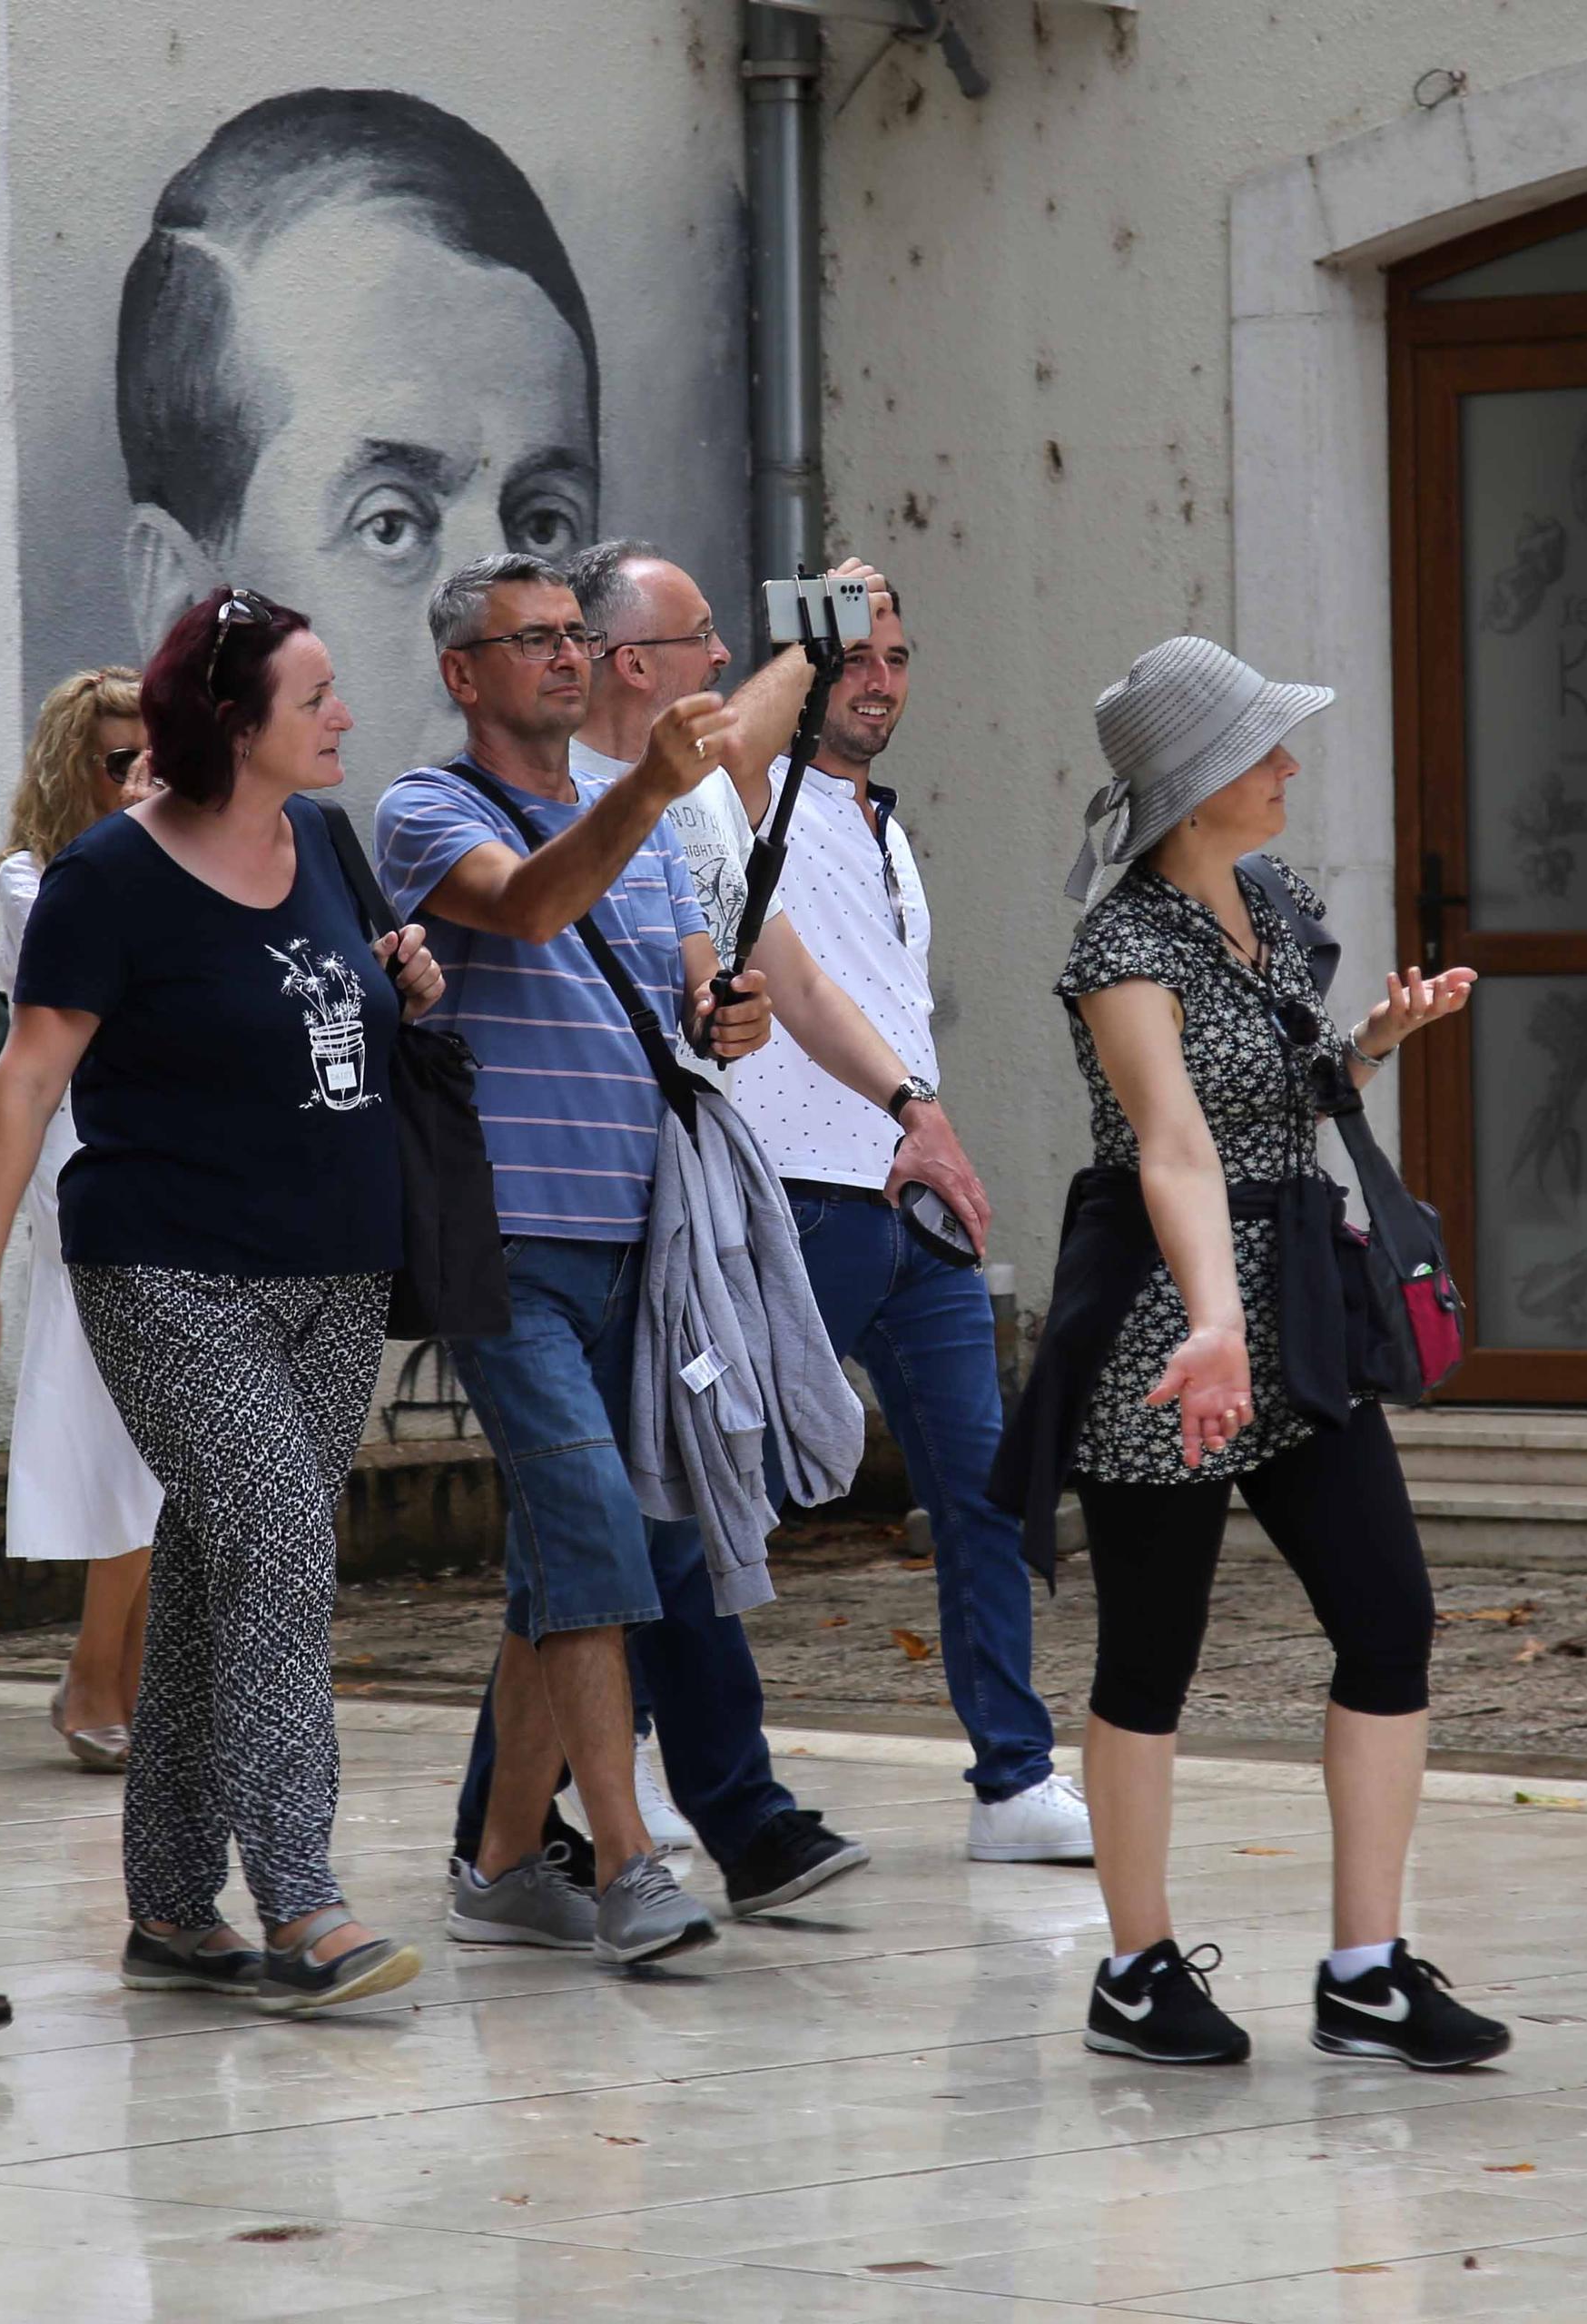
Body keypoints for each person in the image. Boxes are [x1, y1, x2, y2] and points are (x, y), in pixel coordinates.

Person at [380, 553, 936, 1969]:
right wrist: (646, 793)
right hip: (511, 1246)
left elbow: (701, 995)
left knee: (573, 1560)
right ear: (464, 674)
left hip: (654, 1245)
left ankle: (504, 1859)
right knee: (600, 1535)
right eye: (533, 642)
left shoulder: (657, 841)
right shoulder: (427, 810)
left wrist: (729, 1010)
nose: (565, 660)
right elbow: (529, 907)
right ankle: (627, 1861)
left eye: (576, 637)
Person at [0, 587, 438, 2014]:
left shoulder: (326, 841)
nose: (344, 715)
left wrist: (413, 978)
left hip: (338, 1268)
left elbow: (364, 999)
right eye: (316, 695)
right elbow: (27, 1080)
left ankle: (165, 1906)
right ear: (236, 720)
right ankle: (304, 1896)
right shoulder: (110, 877)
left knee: (223, 1565)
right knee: (276, 1536)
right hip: (166, 1267)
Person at [1020, 634, 1502, 2072]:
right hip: (1167, 1320)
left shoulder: (1275, 902)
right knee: (1152, 1653)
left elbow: (1280, 1092)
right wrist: (1212, 1319)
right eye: (1264, 751)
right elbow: (1170, 1146)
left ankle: (1364, 1969)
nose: (1290, 765)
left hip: (1291, 1285)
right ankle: (1135, 1968)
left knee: (1388, 1615)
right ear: (1195, 787)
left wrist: (1369, 1044)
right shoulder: (1120, 946)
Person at [573, 543, 1089, 1868]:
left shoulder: (884, 825)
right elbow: (732, 761)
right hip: (787, 1198)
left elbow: (862, 1002)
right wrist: (812, 632)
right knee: (701, 1495)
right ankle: (605, 1769)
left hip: (906, 1198)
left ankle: (1015, 1780)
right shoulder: (740, 793)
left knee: (979, 1490)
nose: (878, 679)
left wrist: (926, 1116)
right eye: (854, 655)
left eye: (897, 658)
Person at [118, 89, 596, 778]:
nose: (510, 651)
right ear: (181, 613)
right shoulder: (111, 885)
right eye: (390, 526)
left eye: (545, 526)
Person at [0, 667, 163, 1768]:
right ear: (74, 766)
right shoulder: (33, 877)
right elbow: (119, 995)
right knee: (125, 1434)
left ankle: (123, 1677)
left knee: (159, 1444)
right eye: (119, 762)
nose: (140, 778)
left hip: (167, 1160)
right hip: (89, 1163)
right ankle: (96, 1673)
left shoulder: (174, 853)